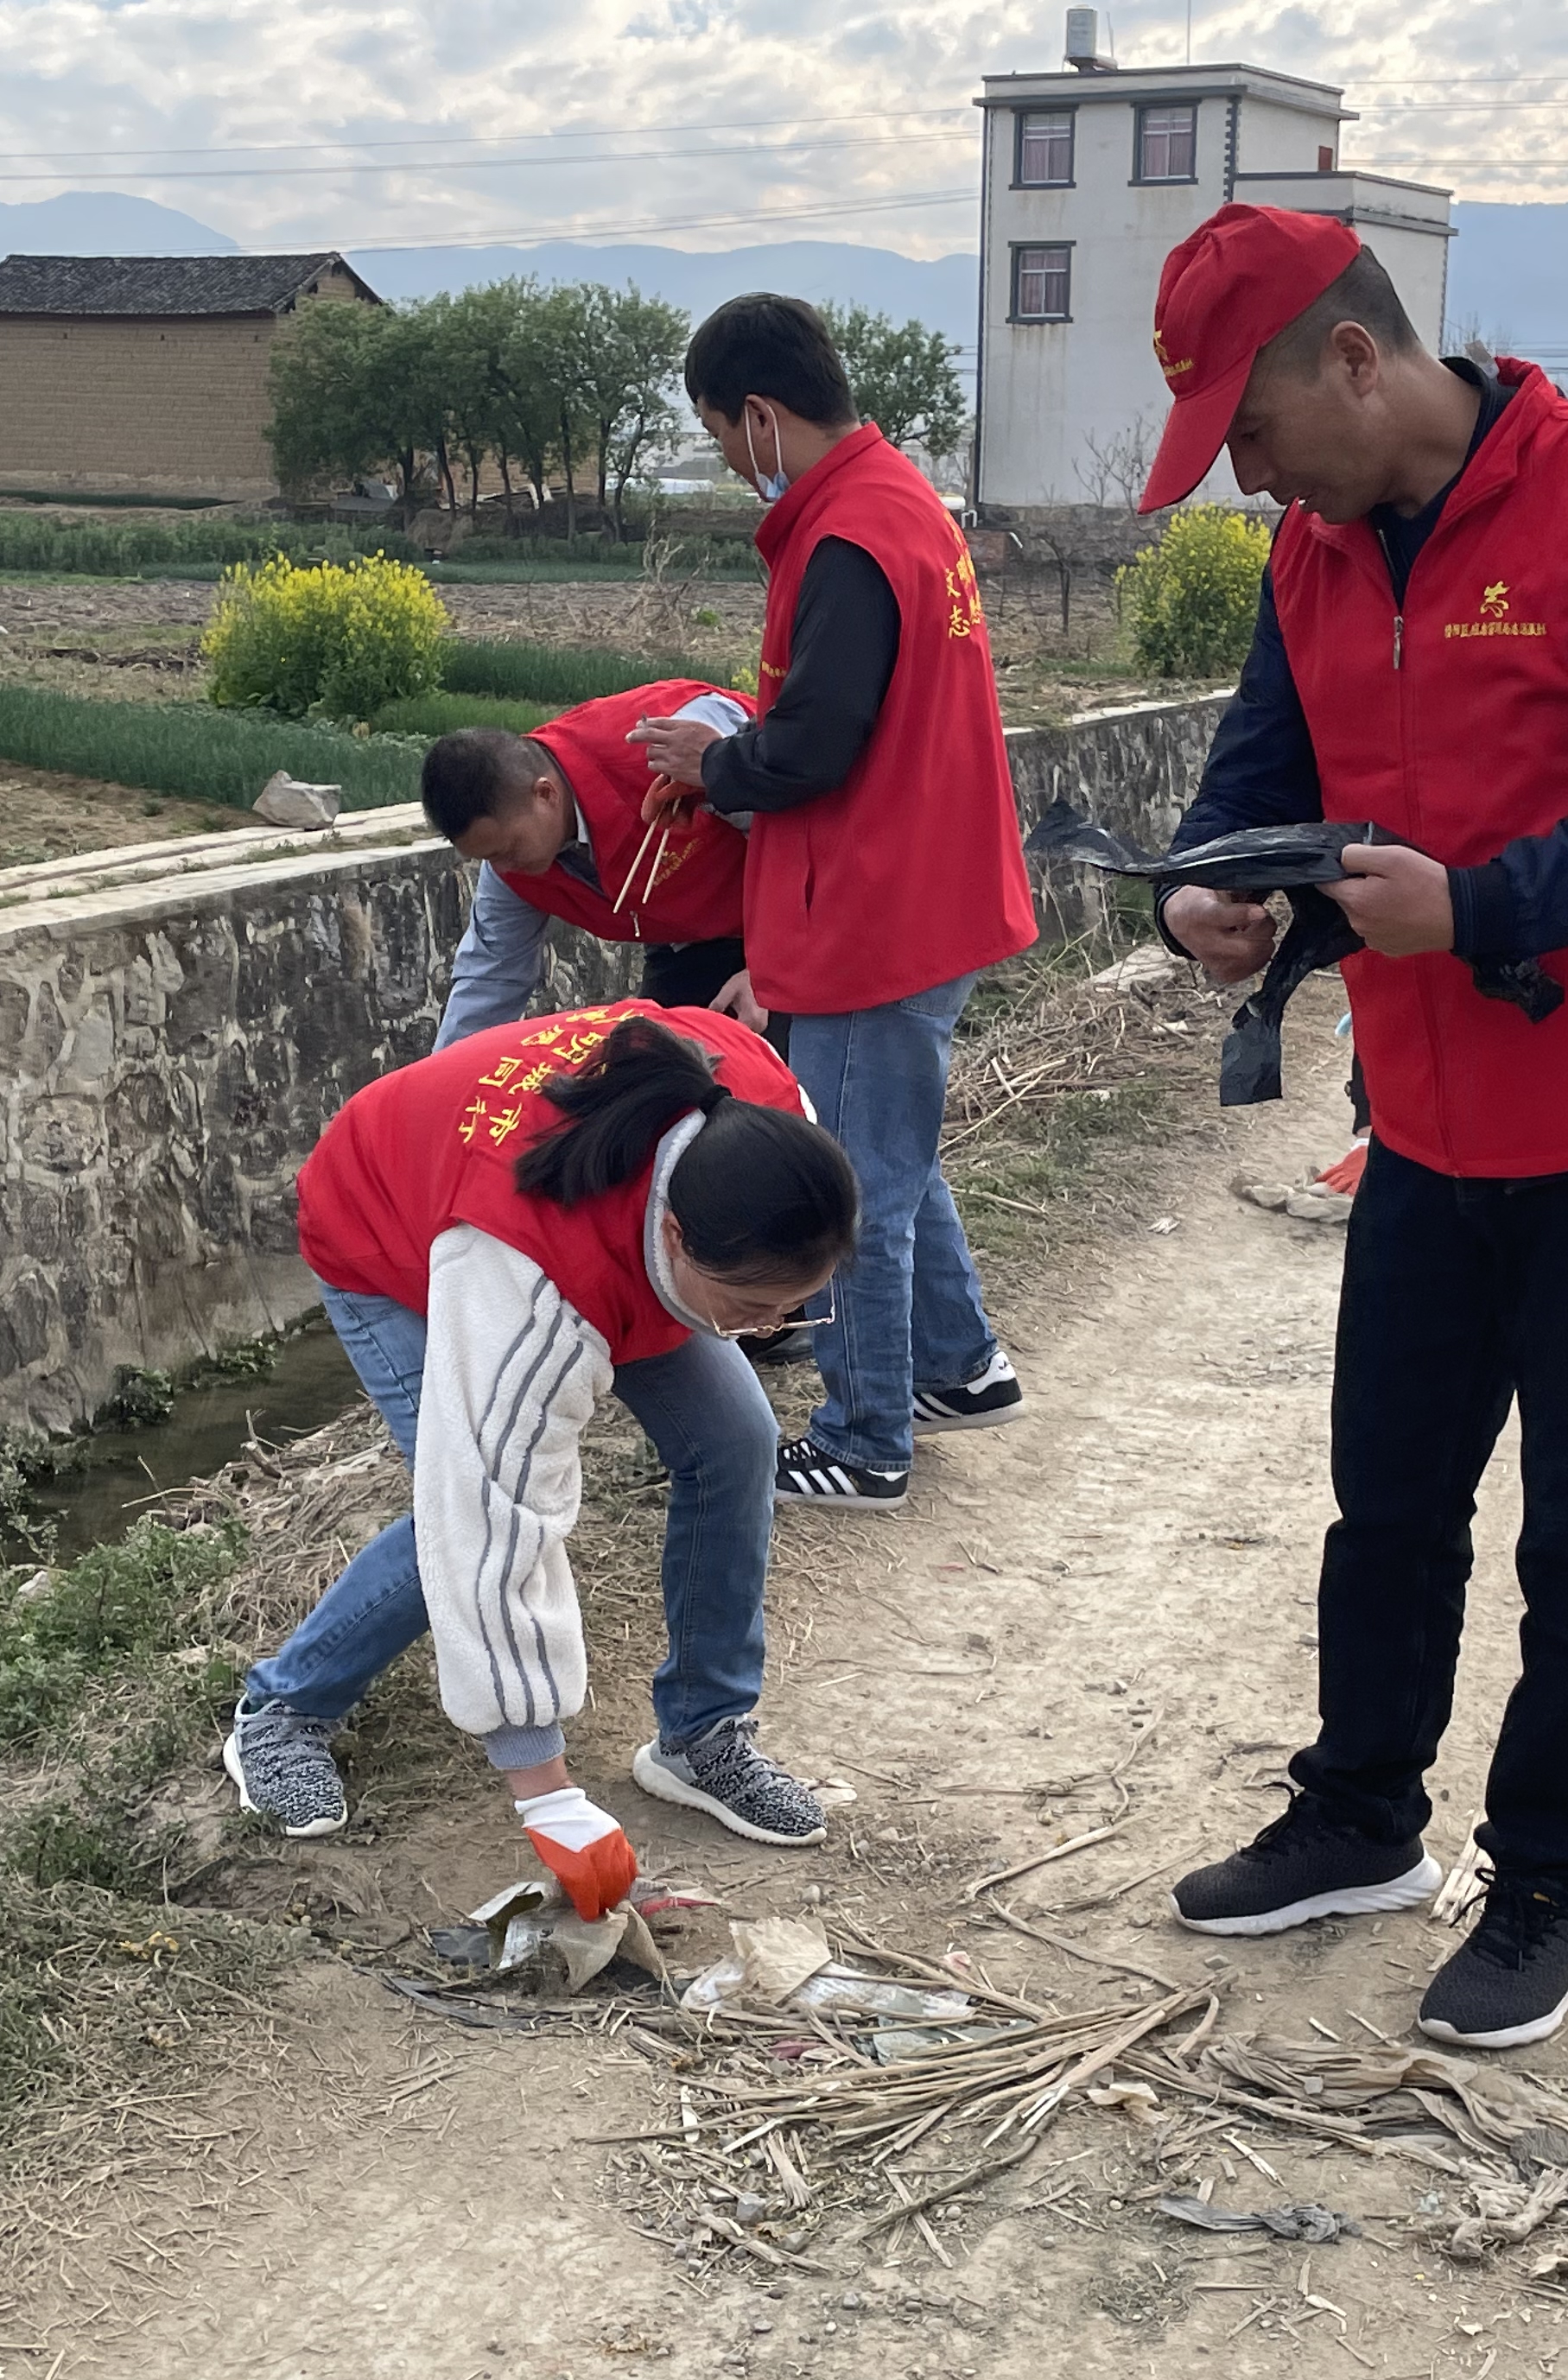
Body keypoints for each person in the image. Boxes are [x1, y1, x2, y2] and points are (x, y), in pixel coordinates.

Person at [1135, 204, 1568, 2049]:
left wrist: (1482, 910)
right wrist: (1207, 901)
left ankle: (1555, 1889)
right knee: (1391, 1498)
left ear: (1352, 359)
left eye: (1249, 435)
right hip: (1421, 1116)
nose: (1249, 483)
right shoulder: (1317, 560)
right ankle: (1359, 1818)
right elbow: (1255, 787)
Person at [220, 1004, 856, 1905]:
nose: (770, 1330)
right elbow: (490, 1509)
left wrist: (750, 1302)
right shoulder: (524, 1273)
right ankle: (282, 1709)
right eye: (754, 1307)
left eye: (793, 1306)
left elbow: (756, 1270)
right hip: (389, 1227)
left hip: (602, 1227)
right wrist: (547, 1794)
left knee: (739, 1440)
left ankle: (702, 1735)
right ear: (677, 1236)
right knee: (455, 1498)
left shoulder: (766, 1129)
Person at [629, 295, 1038, 1511]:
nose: (729, 462)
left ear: (760, 414)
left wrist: (714, 766)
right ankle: (959, 1369)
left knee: (859, 1178)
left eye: (720, 435)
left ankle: (866, 1440)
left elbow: (819, 743)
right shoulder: (903, 505)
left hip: (880, 901)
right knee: (894, 1148)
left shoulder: (849, 534)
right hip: (929, 883)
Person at [422, 682, 759, 1048]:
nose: (505, 868)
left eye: (508, 850)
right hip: (685, 941)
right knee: (656, 1077)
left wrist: (768, 972)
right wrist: (443, 1084)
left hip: (795, 921)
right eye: (487, 858)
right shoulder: (509, 864)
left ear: (545, 794)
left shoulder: (668, 744)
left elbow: (803, 837)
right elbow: (489, 978)